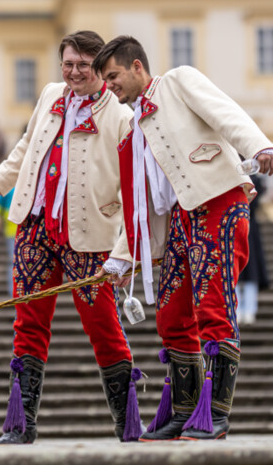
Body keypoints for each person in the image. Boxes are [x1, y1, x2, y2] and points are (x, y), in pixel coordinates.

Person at [93, 35, 273, 441]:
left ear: (137, 66)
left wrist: (259, 144)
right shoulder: (133, 127)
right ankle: (185, 411)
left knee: (214, 305)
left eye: (114, 76)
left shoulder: (179, 81)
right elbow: (140, 205)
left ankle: (216, 415)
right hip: (180, 221)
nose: (111, 86)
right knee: (172, 314)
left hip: (219, 202)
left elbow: (225, 112)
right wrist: (125, 258)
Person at [0, 30, 143, 444]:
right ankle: (20, 425)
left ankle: (127, 423)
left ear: (101, 69)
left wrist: (125, 253)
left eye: (83, 65)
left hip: (89, 235)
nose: (73, 72)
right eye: (68, 63)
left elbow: (131, 190)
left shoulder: (120, 115)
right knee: (28, 322)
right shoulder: (51, 94)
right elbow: (26, 147)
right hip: (35, 228)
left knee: (102, 325)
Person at [237, 174, 269, 325]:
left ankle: (246, 311)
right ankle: (241, 311)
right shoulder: (254, 179)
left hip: (244, 227)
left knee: (249, 272)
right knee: (239, 273)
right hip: (241, 227)